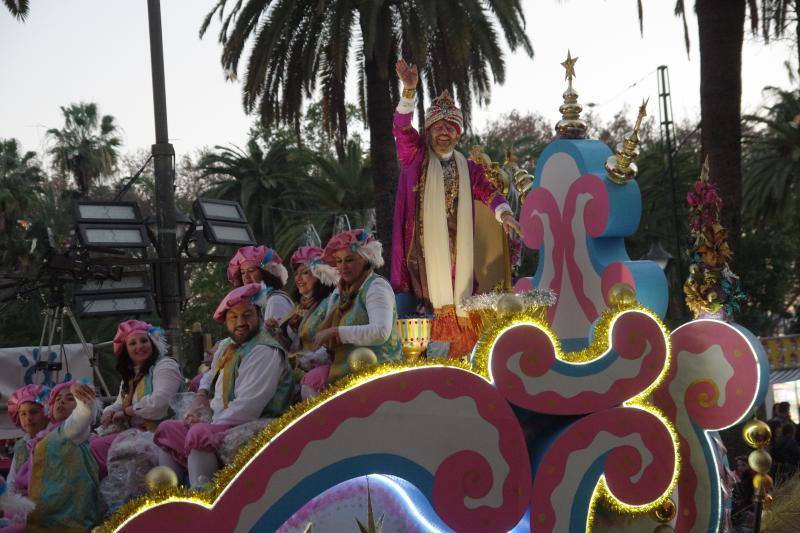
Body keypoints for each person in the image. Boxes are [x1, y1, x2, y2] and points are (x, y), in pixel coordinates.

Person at [391, 58, 521, 357]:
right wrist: (409, 92)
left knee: (458, 309)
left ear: (459, 133)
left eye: (451, 128)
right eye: (439, 128)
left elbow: (488, 191)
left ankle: (454, 360)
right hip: (418, 255)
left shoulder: (468, 167)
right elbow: (401, 128)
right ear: (429, 131)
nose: (445, 133)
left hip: (456, 255)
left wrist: (505, 213)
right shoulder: (415, 156)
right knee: (412, 319)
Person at [153, 283, 295, 488]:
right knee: (168, 429)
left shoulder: (264, 350)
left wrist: (209, 424)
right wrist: (200, 397)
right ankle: (170, 502)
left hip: (258, 422)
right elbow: (209, 375)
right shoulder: (228, 346)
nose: (240, 322)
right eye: (233, 317)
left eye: (247, 315)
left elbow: (249, 407)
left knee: (198, 434)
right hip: (221, 420)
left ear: (259, 315)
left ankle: (203, 499)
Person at [91, 320, 184, 482]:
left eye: (143, 341)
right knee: (88, 447)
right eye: (132, 343)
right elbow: (120, 402)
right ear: (126, 351)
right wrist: (110, 412)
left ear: (153, 343)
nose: (139, 346)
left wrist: (126, 412)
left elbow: (159, 403)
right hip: (136, 434)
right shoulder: (131, 375)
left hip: (161, 435)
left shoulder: (165, 366)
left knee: (96, 448)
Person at [313, 229, 403, 382]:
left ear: (366, 259)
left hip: (379, 377)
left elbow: (380, 332)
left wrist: (336, 332)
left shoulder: (376, 286)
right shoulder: (340, 293)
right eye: (339, 261)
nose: (343, 267)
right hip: (347, 376)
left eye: (349, 260)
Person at [13, 380, 102, 530]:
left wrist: (79, 392)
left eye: (69, 398)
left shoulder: (71, 431)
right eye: (57, 398)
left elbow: (84, 413)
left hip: (69, 515)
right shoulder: (45, 437)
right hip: (47, 513)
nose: (61, 402)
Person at [272, 246, 339, 400]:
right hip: (297, 369)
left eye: (305, 272)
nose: (298, 278)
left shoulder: (331, 302)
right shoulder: (299, 307)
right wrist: (275, 333)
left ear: (320, 274)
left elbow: (331, 344)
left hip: (319, 371)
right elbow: (293, 344)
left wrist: (303, 361)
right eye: (296, 274)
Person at [227, 245, 294, 323]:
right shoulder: (259, 305)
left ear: (264, 274)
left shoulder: (275, 301)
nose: (246, 277)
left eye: (251, 270)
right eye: (243, 272)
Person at [5, 384, 48, 493]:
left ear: (46, 414)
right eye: (23, 414)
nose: (28, 418)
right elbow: (12, 480)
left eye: (34, 412)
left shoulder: (53, 441)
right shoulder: (21, 445)